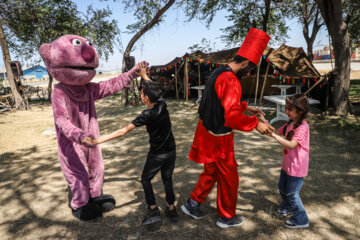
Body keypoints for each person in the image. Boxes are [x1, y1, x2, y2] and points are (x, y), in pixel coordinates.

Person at [180, 28, 275, 229]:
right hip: (219, 137)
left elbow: (220, 102)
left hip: (206, 129)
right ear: (245, 63)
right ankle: (226, 217)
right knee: (229, 177)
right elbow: (231, 117)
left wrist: (246, 107)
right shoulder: (231, 80)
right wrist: (255, 124)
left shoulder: (219, 71)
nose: (248, 74)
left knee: (212, 171)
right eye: (249, 70)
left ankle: (193, 203)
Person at [82, 65, 178, 225]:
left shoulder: (147, 114)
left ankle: (153, 207)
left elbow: (122, 131)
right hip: (171, 151)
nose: (141, 94)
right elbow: (155, 90)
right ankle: (171, 208)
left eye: (142, 92)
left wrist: (97, 141)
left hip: (157, 155)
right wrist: (144, 75)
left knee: (145, 179)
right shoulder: (162, 104)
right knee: (167, 178)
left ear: (146, 98)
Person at [270, 94, 310, 229]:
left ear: (300, 112)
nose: (286, 111)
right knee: (282, 188)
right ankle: (287, 206)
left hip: (297, 168)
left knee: (292, 194)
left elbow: (292, 144)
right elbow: (278, 132)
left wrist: (275, 137)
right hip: (287, 165)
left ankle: (301, 219)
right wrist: (265, 125)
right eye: (286, 108)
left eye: (289, 109)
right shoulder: (290, 123)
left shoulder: (302, 127)